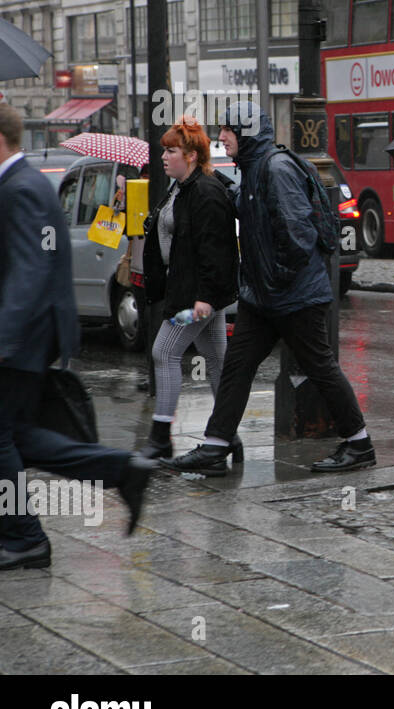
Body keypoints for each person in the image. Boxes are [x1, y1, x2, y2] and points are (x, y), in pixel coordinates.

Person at [161, 102, 374, 476]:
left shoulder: (275, 169)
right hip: (264, 298)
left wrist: (273, 280)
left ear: (245, 134)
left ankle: (359, 444)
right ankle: (215, 448)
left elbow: (298, 235)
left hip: (292, 296)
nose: (221, 137)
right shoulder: (254, 169)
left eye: (227, 131)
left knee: (320, 366)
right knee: (237, 368)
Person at [0, 103, 154, 569]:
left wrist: (3, 339)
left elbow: (30, 272)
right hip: (26, 337)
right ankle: (121, 470)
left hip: (22, 339)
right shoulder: (19, 185)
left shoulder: (22, 188)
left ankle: (26, 537)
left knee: (3, 438)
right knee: (19, 437)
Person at [139, 117, 239, 461]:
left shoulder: (206, 192)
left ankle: (160, 438)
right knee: (216, 361)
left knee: (164, 353)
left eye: (171, 151)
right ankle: (229, 436)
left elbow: (218, 252)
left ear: (192, 155)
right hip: (191, 290)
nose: (164, 156)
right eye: (164, 150)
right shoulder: (182, 186)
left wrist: (205, 300)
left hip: (197, 296)